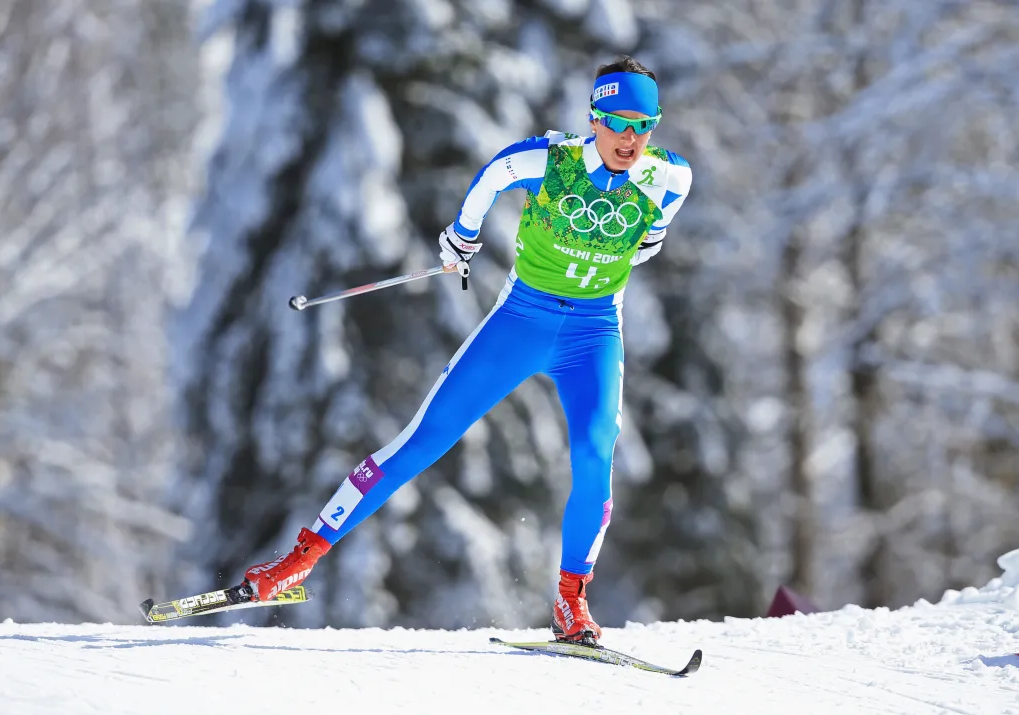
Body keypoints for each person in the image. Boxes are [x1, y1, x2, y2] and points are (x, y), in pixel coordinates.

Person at [243, 55, 692, 644]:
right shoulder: (550, 161)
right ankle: (300, 556)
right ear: (595, 118)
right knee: (424, 439)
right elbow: (494, 173)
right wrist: (463, 236)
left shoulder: (670, 176)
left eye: (644, 124)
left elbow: (653, 234)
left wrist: (646, 240)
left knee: (594, 455)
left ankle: (570, 599)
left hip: (594, 333)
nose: (630, 137)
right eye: (618, 121)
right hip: (521, 322)